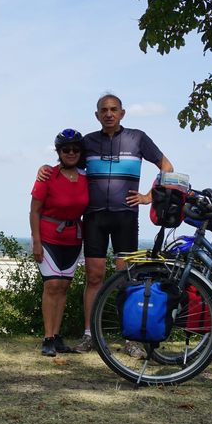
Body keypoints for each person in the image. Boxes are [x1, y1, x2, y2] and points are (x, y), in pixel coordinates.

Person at [37, 94, 173, 354]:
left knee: (126, 277)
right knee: (94, 277)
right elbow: (67, 160)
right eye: (104, 110)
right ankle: (90, 336)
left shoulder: (137, 138)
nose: (109, 114)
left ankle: (131, 339)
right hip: (95, 218)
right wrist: (44, 168)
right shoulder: (88, 142)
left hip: (125, 217)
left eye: (113, 109)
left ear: (122, 113)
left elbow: (166, 166)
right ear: (97, 115)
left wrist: (149, 196)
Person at [30, 129, 89, 357]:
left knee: (63, 287)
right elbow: (34, 211)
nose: (71, 153)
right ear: (59, 152)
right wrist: (36, 242)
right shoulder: (48, 176)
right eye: (66, 150)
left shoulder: (86, 178)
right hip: (48, 237)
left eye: (75, 149)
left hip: (73, 238)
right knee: (52, 285)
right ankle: (47, 338)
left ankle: (56, 335)